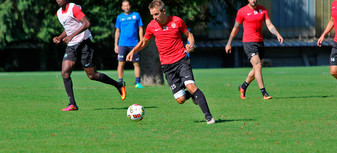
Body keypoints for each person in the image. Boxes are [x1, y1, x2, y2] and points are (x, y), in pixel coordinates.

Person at [126, 0, 215, 124]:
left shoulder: (177, 21)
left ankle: (209, 117)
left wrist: (191, 45)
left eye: (156, 14)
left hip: (181, 60)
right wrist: (133, 51)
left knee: (191, 86)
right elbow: (143, 42)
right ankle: (192, 95)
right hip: (167, 66)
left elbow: (189, 35)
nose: (154, 17)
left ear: (163, 11)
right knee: (181, 99)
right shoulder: (151, 26)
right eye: (152, 15)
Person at [53, 0, 126, 111]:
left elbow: (86, 23)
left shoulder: (73, 8)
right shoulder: (59, 13)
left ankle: (118, 85)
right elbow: (69, 28)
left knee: (92, 75)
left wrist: (71, 36)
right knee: (65, 71)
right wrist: (60, 36)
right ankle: (72, 104)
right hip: (72, 45)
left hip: (84, 43)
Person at [225, 0, 283, 100]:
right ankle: (264, 93)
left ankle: (243, 87)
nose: (253, 0)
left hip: (260, 42)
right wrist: (229, 43)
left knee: (257, 68)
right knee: (258, 65)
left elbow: (269, 24)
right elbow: (235, 28)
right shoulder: (242, 11)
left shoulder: (263, 10)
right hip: (248, 43)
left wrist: (277, 34)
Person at [114, 0, 144, 88]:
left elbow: (140, 28)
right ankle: (120, 81)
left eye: (128, 5)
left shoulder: (136, 15)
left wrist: (141, 41)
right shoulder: (119, 17)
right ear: (122, 7)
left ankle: (137, 82)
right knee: (121, 63)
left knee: (136, 63)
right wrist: (116, 44)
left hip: (134, 44)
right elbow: (117, 31)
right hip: (122, 43)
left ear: (130, 6)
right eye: (124, 6)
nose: (126, 7)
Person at [317, 0, 337, 79]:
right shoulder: (334, 3)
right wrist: (323, 35)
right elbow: (332, 20)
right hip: (336, 42)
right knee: (333, 71)